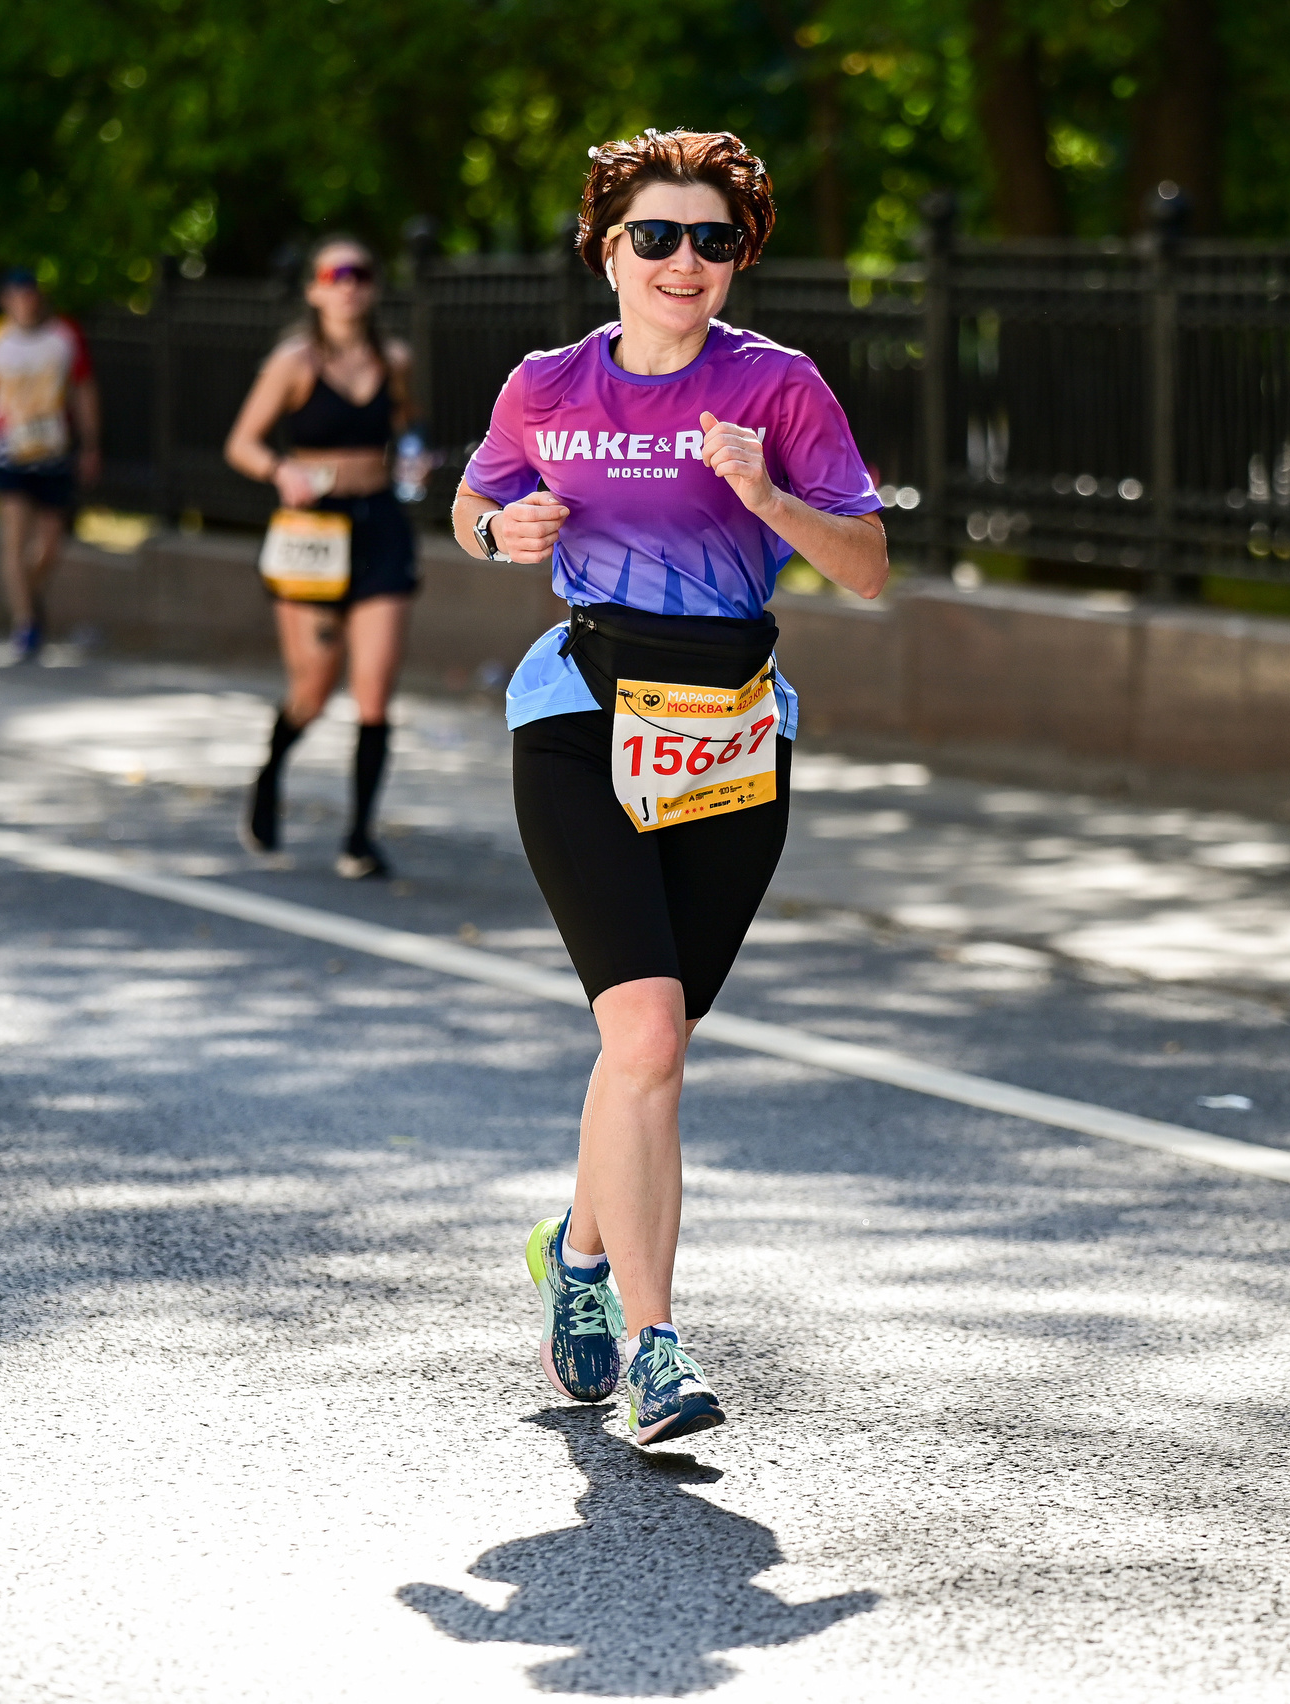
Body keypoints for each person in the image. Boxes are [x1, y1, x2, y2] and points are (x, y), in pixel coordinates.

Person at [452, 129, 889, 1443]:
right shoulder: (547, 385)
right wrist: (501, 531)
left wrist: (765, 495)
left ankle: (576, 1254)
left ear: (739, 256)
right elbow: (478, 509)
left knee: (649, 1047)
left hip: (728, 731)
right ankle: (655, 1348)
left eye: (714, 239)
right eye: (657, 237)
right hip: (582, 713)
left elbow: (867, 567)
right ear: (607, 247)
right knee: (643, 1034)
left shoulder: (782, 387)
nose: (684, 262)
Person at [222, 237, 419, 879]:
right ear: (313, 288)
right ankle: (270, 772)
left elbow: (407, 432)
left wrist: (413, 459)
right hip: (314, 536)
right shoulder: (294, 361)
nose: (348, 285)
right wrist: (282, 471)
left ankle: (360, 837)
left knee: (374, 691)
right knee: (312, 686)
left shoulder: (395, 360)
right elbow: (242, 444)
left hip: (381, 526)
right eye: (334, 274)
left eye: (360, 273)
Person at [0, 268, 97, 662]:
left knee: (49, 546)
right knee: (14, 541)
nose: (26, 301)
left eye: (31, 293)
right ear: (5, 299)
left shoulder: (64, 338)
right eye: (18, 294)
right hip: (7, 455)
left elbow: (83, 392)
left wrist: (90, 445)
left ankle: (28, 598)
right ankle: (26, 621)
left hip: (53, 454)